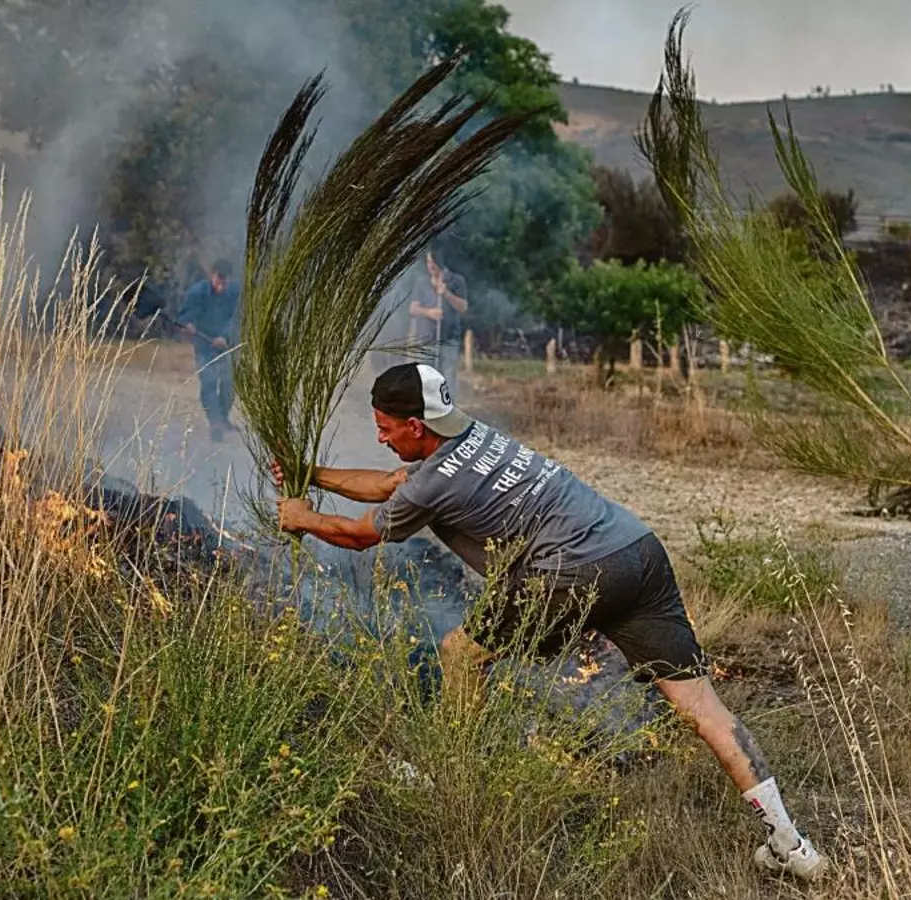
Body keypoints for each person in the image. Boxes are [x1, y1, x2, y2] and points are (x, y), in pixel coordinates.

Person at [273, 362, 831, 881]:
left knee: (461, 654)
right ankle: (791, 844)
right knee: (704, 709)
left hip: (570, 571)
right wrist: (310, 474)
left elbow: (361, 535)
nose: (380, 438)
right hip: (637, 551)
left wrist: (302, 517)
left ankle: (452, 782)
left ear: (416, 427)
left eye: (385, 428)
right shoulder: (473, 439)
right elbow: (390, 484)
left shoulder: (434, 481)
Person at [176, 259, 241, 442]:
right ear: (212, 276)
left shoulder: (235, 294)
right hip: (204, 346)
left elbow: (237, 319)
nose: (221, 285)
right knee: (209, 382)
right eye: (218, 280)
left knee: (230, 384)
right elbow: (184, 316)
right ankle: (215, 424)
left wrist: (225, 337)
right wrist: (187, 325)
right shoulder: (198, 292)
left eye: (225, 281)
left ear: (230, 279)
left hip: (227, 346)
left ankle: (222, 418)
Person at [407, 251, 469, 398]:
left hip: (449, 340)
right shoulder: (422, 281)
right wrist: (429, 313)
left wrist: (446, 293)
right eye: (428, 262)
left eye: (432, 262)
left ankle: (447, 408)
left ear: (440, 262)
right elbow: (413, 308)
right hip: (426, 340)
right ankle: (425, 408)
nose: (430, 266)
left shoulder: (457, 281)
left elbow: (463, 307)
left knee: (447, 380)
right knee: (424, 380)